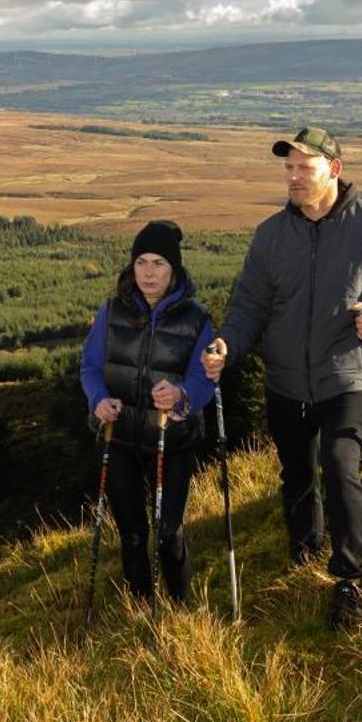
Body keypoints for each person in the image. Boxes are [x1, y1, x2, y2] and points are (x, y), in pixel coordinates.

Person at [201, 126, 362, 630]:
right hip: (285, 381)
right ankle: (304, 561)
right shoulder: (271, 235)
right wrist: (227, 346)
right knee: (297, 476)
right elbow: (249, 308)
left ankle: (348, 580)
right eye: (287, 168)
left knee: (339, 463)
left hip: (352, 376)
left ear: (334, 169)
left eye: (304, 168)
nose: (293, 177)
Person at [80, 220, 217, 607]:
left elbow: (204, 381)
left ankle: (181, 608)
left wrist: (181, 394)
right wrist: (99, 401)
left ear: (174, 268)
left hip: (171, 441)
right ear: (132, 266)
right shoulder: (111, 312)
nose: (149, 272)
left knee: (168, 533)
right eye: (141, 262)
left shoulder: (197, 319)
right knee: (133, 533)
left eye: (158, 263)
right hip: (119, 438)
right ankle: (141, 609)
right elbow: (90, 367)